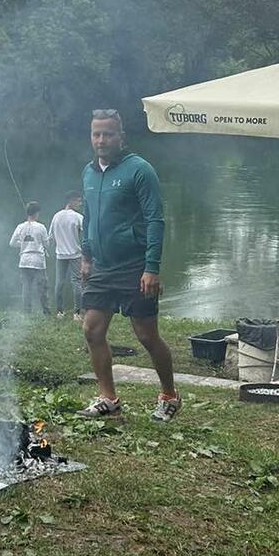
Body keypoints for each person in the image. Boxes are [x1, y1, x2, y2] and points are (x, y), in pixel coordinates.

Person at [78, 109, 180, 422]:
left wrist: (152, 267)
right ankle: (108, 398)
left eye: (108, 134)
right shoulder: (89, 173)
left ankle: (170, 395)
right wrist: (86, 255)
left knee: (147, 336)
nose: (101, 140)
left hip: (135, 266)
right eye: (96, 134)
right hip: (103, 266)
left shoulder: (140, 170)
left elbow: (155, 220)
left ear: (121, 137)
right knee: (92, 330)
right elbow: (89, 217)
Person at [9, 201, 50, 315]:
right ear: (36, 213)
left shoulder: (20, 227)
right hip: (38, 261)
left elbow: (12, 243)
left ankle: (27, 311)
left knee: (26, 288)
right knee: (42, 287)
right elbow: (47, 244)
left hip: (24, 260)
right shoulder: (41, 227)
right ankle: (46, 312)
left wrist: (23, 244)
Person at [50, 190, 84, 320]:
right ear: (72, 201)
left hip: (60, 254)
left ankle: (59, 312)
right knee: (76, 282)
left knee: (59, 282)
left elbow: (50, 237)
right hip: (75, 254)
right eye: (78, 201)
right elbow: (86, 234)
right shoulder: (78, 217)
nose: (80, 203)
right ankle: (77, 313)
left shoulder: (56, 216)